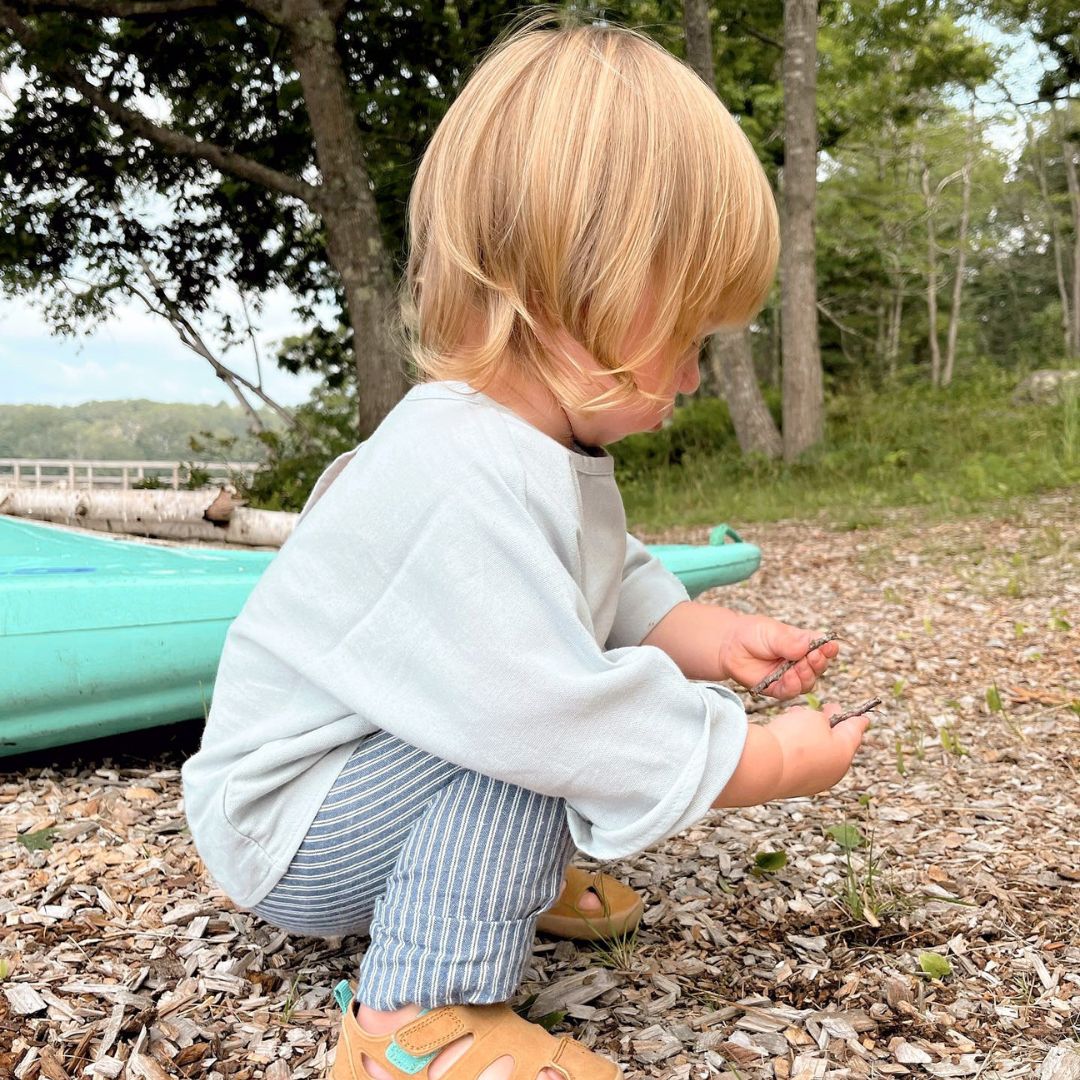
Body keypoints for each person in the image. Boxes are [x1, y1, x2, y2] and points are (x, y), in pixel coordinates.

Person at [181, 13, 869, 1080]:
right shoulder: (459, 466)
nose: (691, 376)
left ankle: (475, 874)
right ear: (570, 291)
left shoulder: (531, 444)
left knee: (544, 713)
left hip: (357, 787)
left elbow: (610, 568)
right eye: (686, 336)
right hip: (294, 824)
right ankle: (412, 1018)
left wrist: (702, 633)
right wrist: (760, 758)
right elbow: (535, 709)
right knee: (539, 729)